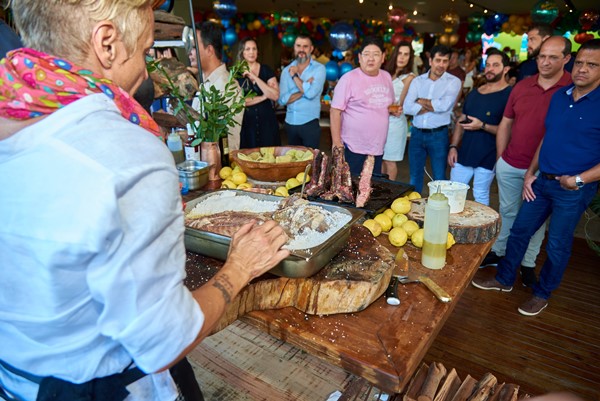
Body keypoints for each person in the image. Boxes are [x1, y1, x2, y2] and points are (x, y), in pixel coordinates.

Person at [0, 1, 289, 400]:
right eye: (146, 50)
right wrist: (239, 268)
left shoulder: (12, 107)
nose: (147, 68)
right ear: (107, 44)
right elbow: (165, 341)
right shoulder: (127, 154)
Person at [472, 39, 600, 316]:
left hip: (573, 188)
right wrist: (531, 172)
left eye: (592, 65)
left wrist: (578, 180)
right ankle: (504, 279)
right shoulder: (561, 96)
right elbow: (547, 137)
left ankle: (542, 293)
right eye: (580, 63)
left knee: (557, 243)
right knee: (519, 230)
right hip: (542, 180)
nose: (582, 69)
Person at [481, 36, 573, 287]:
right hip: (511, 163)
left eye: (553, 57)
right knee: (508, 211)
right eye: (542, 56)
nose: (545, 62)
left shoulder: (572, 89)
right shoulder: (522, 86)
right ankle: (500, 254)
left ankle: (527, 263)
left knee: (535, 220)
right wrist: (502, 159)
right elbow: (506, 123)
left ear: (566, 59)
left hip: (545, 170)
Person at [448, 48, 512, 206]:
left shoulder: (510, 95)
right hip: (465, 153)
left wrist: (482, 125)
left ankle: (482, 231)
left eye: (495, 65)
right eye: (488, 64)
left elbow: (510, 131)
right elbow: (461, 121)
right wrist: (454, 146)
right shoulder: (475, 93)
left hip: (489, 156)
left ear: (506, 69)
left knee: (480, 195)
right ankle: (450, 229)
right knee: (452, 194)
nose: (490, 69)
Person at [330, 36, 395, 176]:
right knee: (350, 189)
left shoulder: (386, 77)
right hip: (353, 148)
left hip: (377, 148)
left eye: (376, 54)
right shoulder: (348, 79)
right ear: (359, 57)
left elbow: (386, 104)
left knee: (372, 188)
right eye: (366, 54)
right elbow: (335, 111)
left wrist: (394, 110)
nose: (371, 59)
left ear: (383, 57)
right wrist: (336, 143)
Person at [403, 44, 462, 194]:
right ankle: (414, 210)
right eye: (438, 60)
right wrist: (433, 104)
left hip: (439, 135)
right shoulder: (418, 81)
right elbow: (407, 107)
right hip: (416, 134)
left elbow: (445, 106)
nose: (441, 65)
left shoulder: (454, 81)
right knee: (415, 176)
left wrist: (420, 101)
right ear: (430, 61)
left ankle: (439, 211)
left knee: (439, 178)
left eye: (445, 61)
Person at [189, 21, 243, 151]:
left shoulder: (227, 87)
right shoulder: (206, 82)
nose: (190, 52)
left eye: (194, 47)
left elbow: (227, 143)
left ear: (209, 50)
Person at [278, 35, 326, 149]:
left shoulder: (319, 69)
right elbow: (282, 100)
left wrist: (294, 76)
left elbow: (311, 94)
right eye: (298, 46)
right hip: (290, 124)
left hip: (310, 123)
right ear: (294, 47)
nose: (301, 50)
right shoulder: (286, 71)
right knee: (294, 163)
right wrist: (305, 87)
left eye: (305, 46)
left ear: (311, 49)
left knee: (311, 163)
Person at [236, 37, 280, 148]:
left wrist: (253, 76)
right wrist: (264, 97)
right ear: (242, 52)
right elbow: (240, 101)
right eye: (248, 49)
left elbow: (275, 95)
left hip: (267, 122)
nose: (251, 52)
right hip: (247, 124)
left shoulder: (266, 70)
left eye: (254, 49)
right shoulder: (236, 74)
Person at [382, 41, 415, 180]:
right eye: (400, 53)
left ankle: (388, 193)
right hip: (379, 120)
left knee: (390, 160)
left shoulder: (409, 77)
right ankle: (379, 189)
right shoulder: (385, 72)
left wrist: (384, 106)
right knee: (380, 159)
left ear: (410, 57)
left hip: (395, 123)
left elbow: (399, 105)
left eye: (406, 54)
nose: (402, 57)